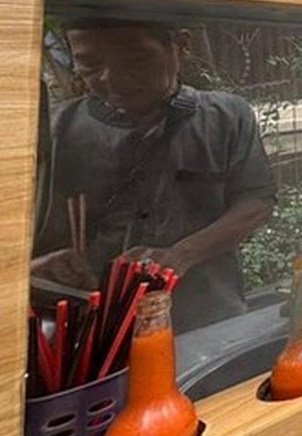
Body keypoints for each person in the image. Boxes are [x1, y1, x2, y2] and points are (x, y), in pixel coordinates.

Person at [31, 19, 276, 332]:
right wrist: (32, 271)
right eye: (90, 64)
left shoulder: (226, 117)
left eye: (134, 59)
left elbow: (256, 202)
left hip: (206, 322)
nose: (112, 78)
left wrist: (180, 254)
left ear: (181, 46)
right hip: (86, 336)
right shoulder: (52, 131)